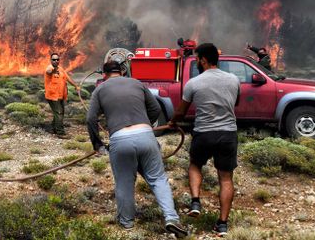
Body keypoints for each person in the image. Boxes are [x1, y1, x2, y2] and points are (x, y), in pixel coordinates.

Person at [87, 61, 188, 238]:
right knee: (158, 179)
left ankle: (127, 223)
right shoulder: (136, 83)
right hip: (146, 136)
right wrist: (146, 125)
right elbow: (155, 108)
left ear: (104, 74)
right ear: (122, 72)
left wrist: (98, 145)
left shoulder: (100, 89)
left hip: (119, 139)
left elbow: (90, 119)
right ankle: (171, 218)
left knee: (125, 182)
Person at [171, 43, 240, 237]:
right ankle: (222, 224)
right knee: (226, 178)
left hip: (203, 133)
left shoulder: (194, 82)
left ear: (203, 59)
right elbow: (236, 102)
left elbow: (181, 111)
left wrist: (172, 122)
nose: (197, 62)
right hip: (227, 134)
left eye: (197, 59)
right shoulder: (233, 79)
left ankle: (195, 202)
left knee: (195, 165)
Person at [44, 52, 80, 138]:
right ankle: (60, 133)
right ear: (51, 60)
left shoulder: (61, 69)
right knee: (59, 112)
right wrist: (52, 70)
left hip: (60, 96)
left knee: (59, 112)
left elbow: (68, 78)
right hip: (52, 96)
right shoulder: (50, 68)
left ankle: (53, 129)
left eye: (57, 59)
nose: (56, 61)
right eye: (54, 59)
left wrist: (76, 86)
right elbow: (48, 71)